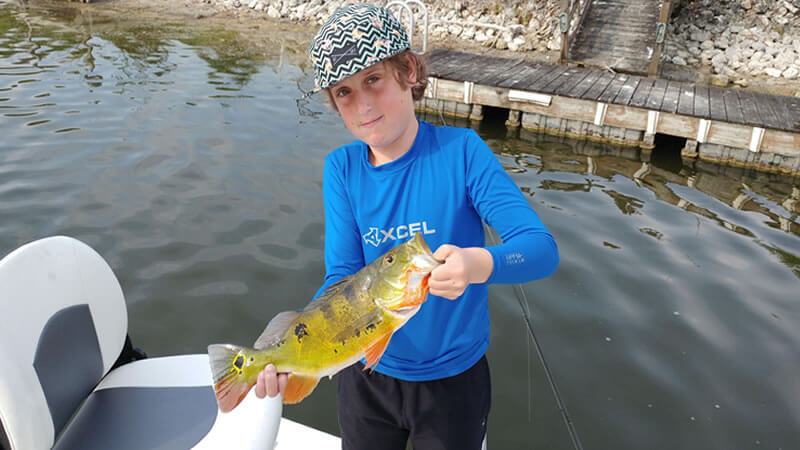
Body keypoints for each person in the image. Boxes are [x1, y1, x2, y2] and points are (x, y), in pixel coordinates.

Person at [255, 4, 559, 449]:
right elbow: (341, 277)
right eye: (343, 92)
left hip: (453, 382)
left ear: (409, 70)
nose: (361, 105)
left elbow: (540, 249)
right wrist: (291, 344)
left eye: (373, 80)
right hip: (363, 377)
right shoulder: (341, 168)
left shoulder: (463, 152)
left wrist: (479, 263)